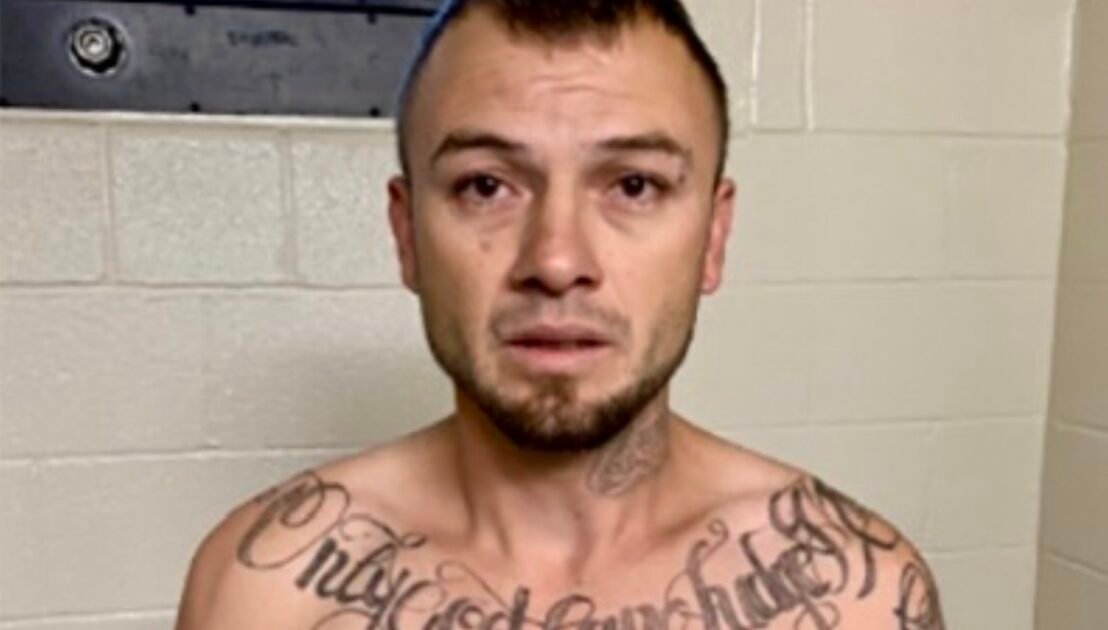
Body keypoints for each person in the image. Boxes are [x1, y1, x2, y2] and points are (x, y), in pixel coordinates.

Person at [175, 1, 944, 628]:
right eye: (486, 186)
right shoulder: (266, 592)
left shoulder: (857, 596)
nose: (555, 259)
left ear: (713, 238)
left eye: (634, 185)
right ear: (407, 236)